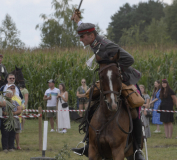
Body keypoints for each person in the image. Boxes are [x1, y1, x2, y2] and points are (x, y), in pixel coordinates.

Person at [71, 13, 144, 160]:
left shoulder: (106, 44)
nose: (80, 40)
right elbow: (83, 27)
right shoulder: (94, 42)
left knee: (134, 109)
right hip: (106, 79)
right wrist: (78, 21)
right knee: (92, 102)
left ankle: (137, 149)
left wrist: (114, 68)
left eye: (82, 37)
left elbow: (130, 59)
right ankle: (87, 143)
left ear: (91, 36)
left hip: (122, 79)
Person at [10, 84, 24, 150]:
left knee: (17, 132)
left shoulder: (18, 97)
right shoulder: (6, 96)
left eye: (13, 88)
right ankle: (11, 145)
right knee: (11, 132)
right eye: (11, 88)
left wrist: (21, 107)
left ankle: (18, 145)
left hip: (18, 116)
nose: (12, 89)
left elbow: (23, 105)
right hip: (10, 117)